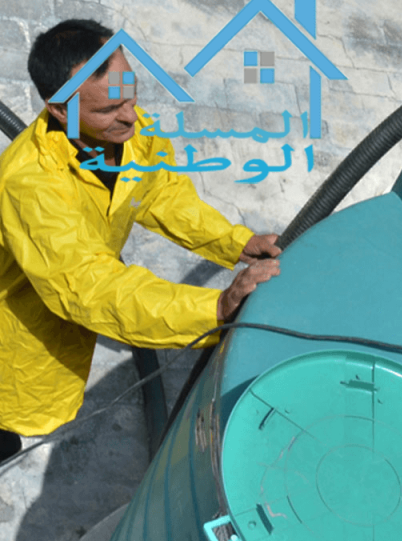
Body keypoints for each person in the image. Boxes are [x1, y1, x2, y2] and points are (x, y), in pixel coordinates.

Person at [0, 19, 282, 462]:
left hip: (67, 306)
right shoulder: (30, 185)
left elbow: (162, 193)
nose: (131, 116)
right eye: (109, 108)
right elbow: (93, 287)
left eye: (130, 96)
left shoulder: (132, 135)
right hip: (21, 328)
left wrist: (235, 242)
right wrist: (212, 309)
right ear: (60, 110)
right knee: (10, 408)